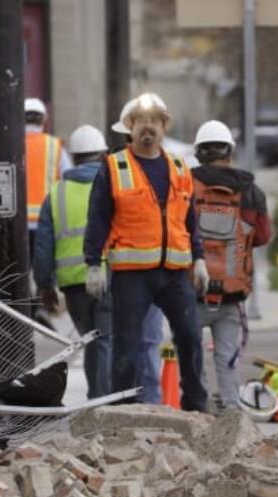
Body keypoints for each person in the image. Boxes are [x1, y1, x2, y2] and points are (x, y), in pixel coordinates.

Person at [83, 93, 210, 411]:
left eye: (155, 121)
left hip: (175, 273)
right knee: (127, 345)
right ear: (131, 127)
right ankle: (125, 407)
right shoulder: (114, 166)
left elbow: (188, 219)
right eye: (141, 122)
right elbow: (98, 217)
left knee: (191, 336)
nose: (148, 128)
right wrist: (93, 264)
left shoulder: (181, 167)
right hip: (131, 275)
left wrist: (200, 259)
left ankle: (196, 404)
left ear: (164, 126)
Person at [190, 119, 273, 410]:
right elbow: (262, 235)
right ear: (230, 152)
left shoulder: (186, 185)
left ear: (198, 151)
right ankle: (232, 420)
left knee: (191, 357)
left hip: (193, 291)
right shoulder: (251, 191)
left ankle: (196, 412)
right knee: (227, 361)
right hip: (233, 293)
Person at [33, 124, 113, 399]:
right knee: (105, 339)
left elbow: (43, 246)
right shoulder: (113, 187)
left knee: (93, 340)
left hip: (72, 285)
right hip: (107, 275)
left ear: (74, 158)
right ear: (103, 156)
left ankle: (97, 398)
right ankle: (104, 400)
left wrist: (44, 285)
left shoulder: (56, 194)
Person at [109, 96, 167, 404]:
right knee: (135, 344)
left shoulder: (169, 168)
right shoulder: (115, 170)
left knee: (141, 343)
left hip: (156, 270)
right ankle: (132, 405)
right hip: (128, 273)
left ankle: (147, 405)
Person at [24, 98, 72, 231]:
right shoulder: (55, 146)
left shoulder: (11, 145)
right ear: (44, 120)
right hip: (47, 219)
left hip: (17, 221)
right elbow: (68, 180)